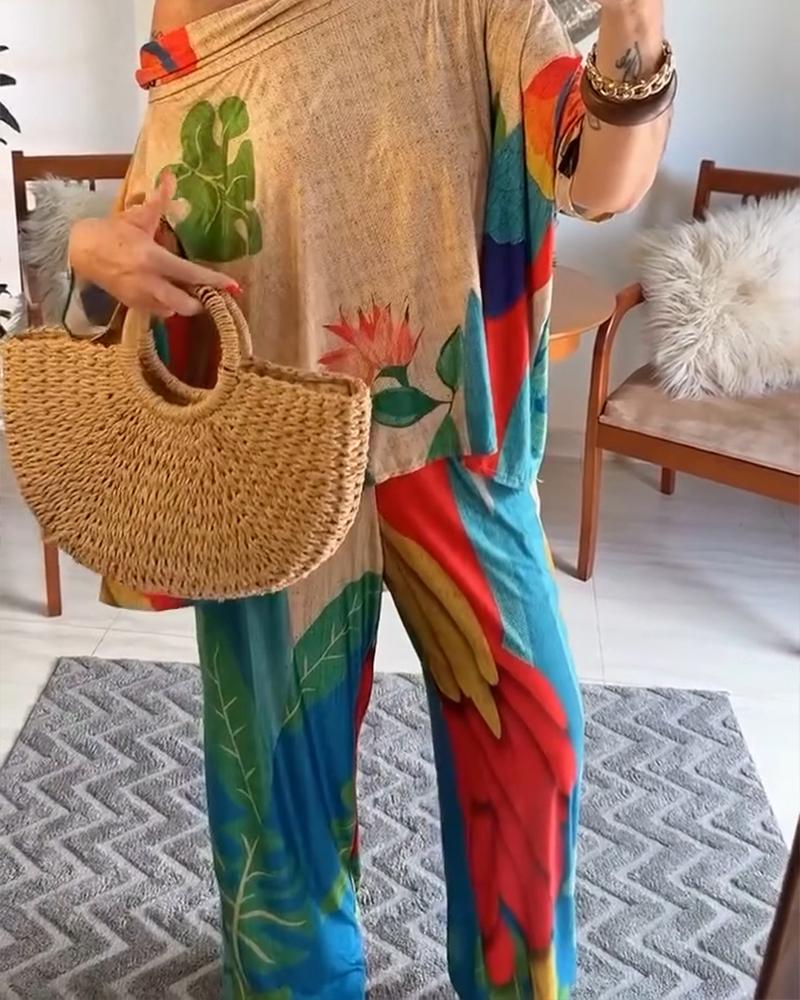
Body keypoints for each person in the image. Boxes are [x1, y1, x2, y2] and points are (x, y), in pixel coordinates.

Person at [67, 0, 673, 996]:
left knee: (532, 743)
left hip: (448, 434)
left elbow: (601, 180)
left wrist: (637, 13)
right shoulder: (209, 11)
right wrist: (91, 253)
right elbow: (152, 226)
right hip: (272, 452)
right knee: (277, 789)